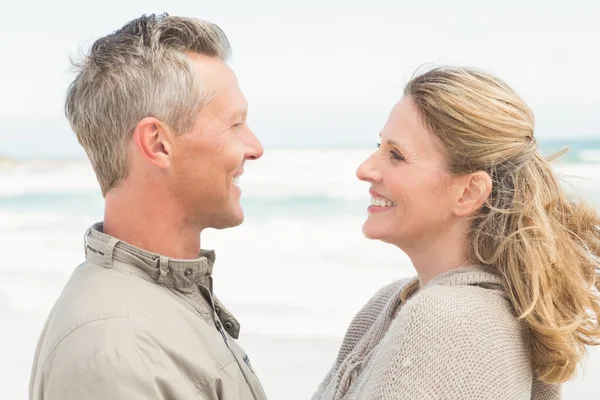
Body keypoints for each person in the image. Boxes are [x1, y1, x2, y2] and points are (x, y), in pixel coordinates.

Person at [312, 66, 600, 399]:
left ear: (469, 193)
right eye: (379, 145)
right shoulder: (393, 305)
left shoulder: (447, 321)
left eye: (396, 155)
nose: (365, 169)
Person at [29, 13, 267, 400]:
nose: (255, 147)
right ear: (157, 144)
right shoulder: (117, 350)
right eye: (236, 125)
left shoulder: (158, 307)